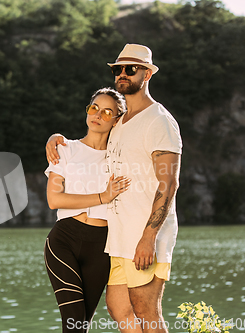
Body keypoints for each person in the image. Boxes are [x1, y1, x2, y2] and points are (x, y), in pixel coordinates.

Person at [46, 44, 182, 333]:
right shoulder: (119, 122)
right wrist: (56, 137)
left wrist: (149, 236)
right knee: (119, 309)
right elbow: (90, 138)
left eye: (130, 68)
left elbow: (169, 181)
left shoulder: (159, 121)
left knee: (146, 311)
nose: (123, 73)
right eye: (117, 68)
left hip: (143, 237)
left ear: (147, 73)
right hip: (117, 238)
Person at [44, 87, 130, 333]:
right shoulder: (64, 149)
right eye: (94, 108)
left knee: (80, 326)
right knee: (72, 321)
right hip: (64, 242)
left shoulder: (119, 159)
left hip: (102, 247)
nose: (98, 115)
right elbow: (54, 199)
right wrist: (103, 196)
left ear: (116, 120)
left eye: (107, 112)